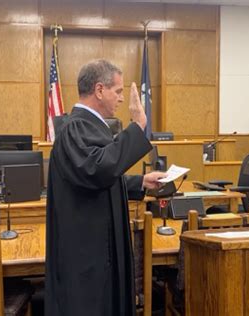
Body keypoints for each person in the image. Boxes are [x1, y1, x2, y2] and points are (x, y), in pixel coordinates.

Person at [45, 59, 166, 316]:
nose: (121, 99)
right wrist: (138, 126)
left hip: (97, 252)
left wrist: (140, 182)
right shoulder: (75, 128)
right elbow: (97, 170)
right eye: (118, 91)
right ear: (99, 90)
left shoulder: (89, 126)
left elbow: (97, 179)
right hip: (86, 259)